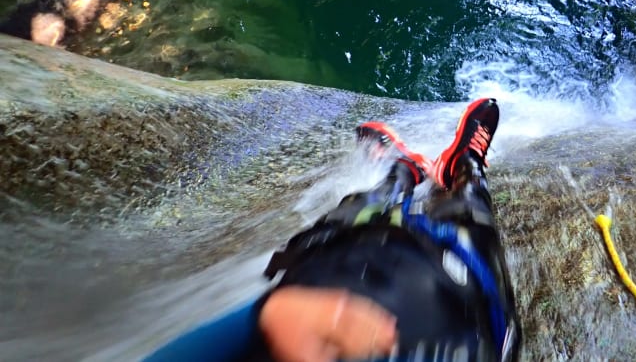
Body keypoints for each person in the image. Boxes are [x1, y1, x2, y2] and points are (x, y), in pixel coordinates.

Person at [146, 98, 520, 362]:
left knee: (356, 214)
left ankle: (402, 172)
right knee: (474, 222)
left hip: (333, 276)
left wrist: (271, 315)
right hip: (458, 312)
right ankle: (466, 166)